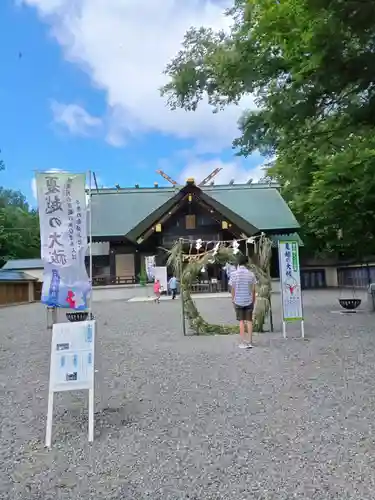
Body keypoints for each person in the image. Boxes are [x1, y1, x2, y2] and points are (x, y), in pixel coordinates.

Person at [231, 254, 257, 349]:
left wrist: (233, 300)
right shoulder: (251, 274)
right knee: (249, 321)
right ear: (247, 263)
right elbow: (254, 289)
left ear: (238, 262)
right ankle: (250, 342)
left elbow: (233, 289)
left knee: (241, 321)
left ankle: (243, 342)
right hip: (249, 300)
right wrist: (253, 300)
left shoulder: (233, 274)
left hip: (238, 300)